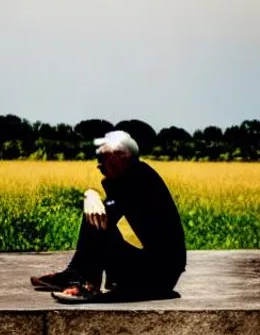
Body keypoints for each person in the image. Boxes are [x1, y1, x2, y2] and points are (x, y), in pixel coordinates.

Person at [30, 130, 186, 303]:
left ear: (122, 156)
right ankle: (76, 275)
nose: (98, 165)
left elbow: (111, 215)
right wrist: (91, 195)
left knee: (99, 215)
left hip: (158, 275)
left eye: (102, 157)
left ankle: (88, 283)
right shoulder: (127, 177)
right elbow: (119, 217)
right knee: (97, 213)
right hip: (153, 269)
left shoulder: (142, 178)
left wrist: (93, 197)